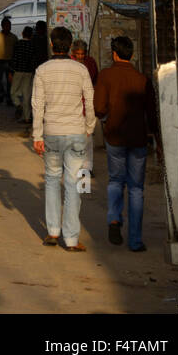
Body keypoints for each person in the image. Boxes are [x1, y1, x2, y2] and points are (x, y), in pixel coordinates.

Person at [31, 25, 96, 251]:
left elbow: (37, 106)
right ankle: (70, 239)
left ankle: (52, 232)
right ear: (69, 46)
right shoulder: (81, 70)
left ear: (51, 45)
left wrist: (37, 135)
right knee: (73, 184)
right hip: (76, 132)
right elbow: (90, 99)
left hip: (51, 132)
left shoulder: (42, 70)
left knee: (51, 180)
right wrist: (90, 127)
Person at [93, 34, 159, 253]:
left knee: (115, 181)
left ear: (114, 53)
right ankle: (135, 241)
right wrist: (157, 139)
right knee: (136, 189)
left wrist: (105, 118)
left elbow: (99, 108)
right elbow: (152, 114)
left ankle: (114, 219)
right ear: (131, 54)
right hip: (138, 138)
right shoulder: (142, 79)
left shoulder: (106, 75)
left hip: (114, 136)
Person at [71, 38, 99, 178]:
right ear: (73, 53)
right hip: (73, 107)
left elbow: (95, 81)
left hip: (88, 105)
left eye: (83, 54)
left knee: (88, 139)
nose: (81, 56)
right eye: (78, 54)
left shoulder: (91, 62)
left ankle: (87, 167)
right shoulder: (69, 64)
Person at [10, 25, 37, 125]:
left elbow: (14, 58)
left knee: (13, 92)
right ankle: (27, 117)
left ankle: (18, 105)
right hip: (29, 72)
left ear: (22, 34)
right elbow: (34, 60)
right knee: (27, 95)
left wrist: (11, 71)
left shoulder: (18, 44)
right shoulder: (33, 45)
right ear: (31, 35)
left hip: (18, 71)